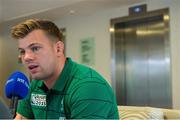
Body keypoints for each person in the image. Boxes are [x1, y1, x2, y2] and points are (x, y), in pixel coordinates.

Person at [11, 19, 119, 119]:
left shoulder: (89, 86)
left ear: (58, 49)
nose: (26, 57)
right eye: (22, 51)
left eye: (35, 48)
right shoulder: (36, 84)